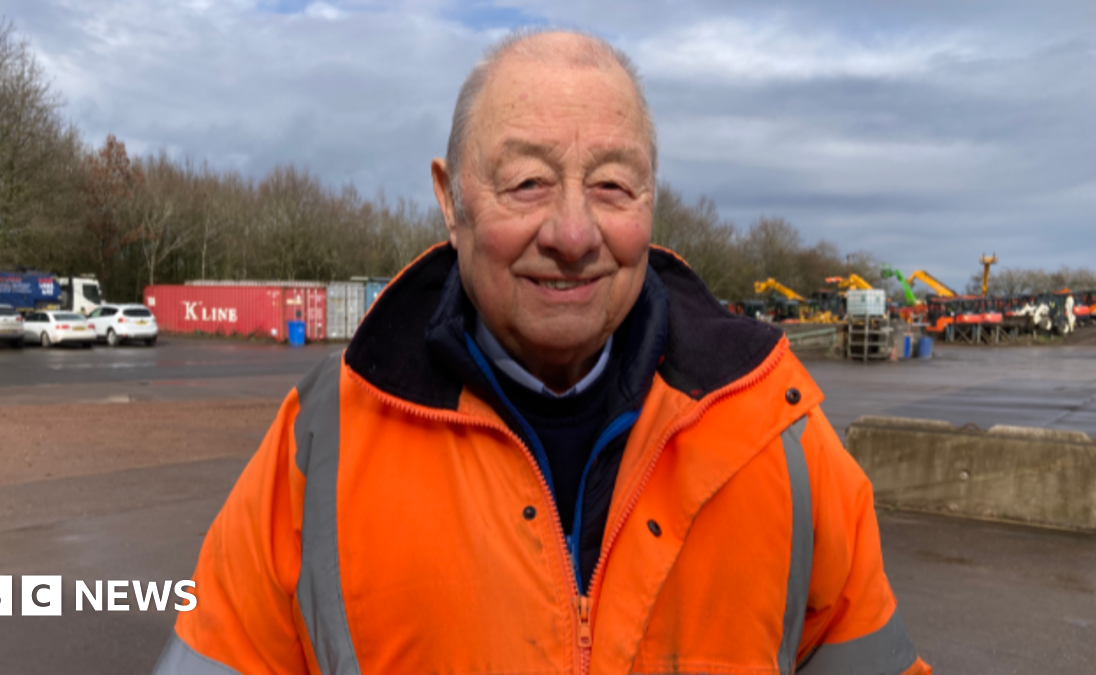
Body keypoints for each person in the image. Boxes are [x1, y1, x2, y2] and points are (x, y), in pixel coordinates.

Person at [154, 29, 931, 675]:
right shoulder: (320, 445)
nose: (571, 233)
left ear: (650, 199)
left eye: (612, 185)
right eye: (526, 181)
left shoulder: (779, 436)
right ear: (450, 199)